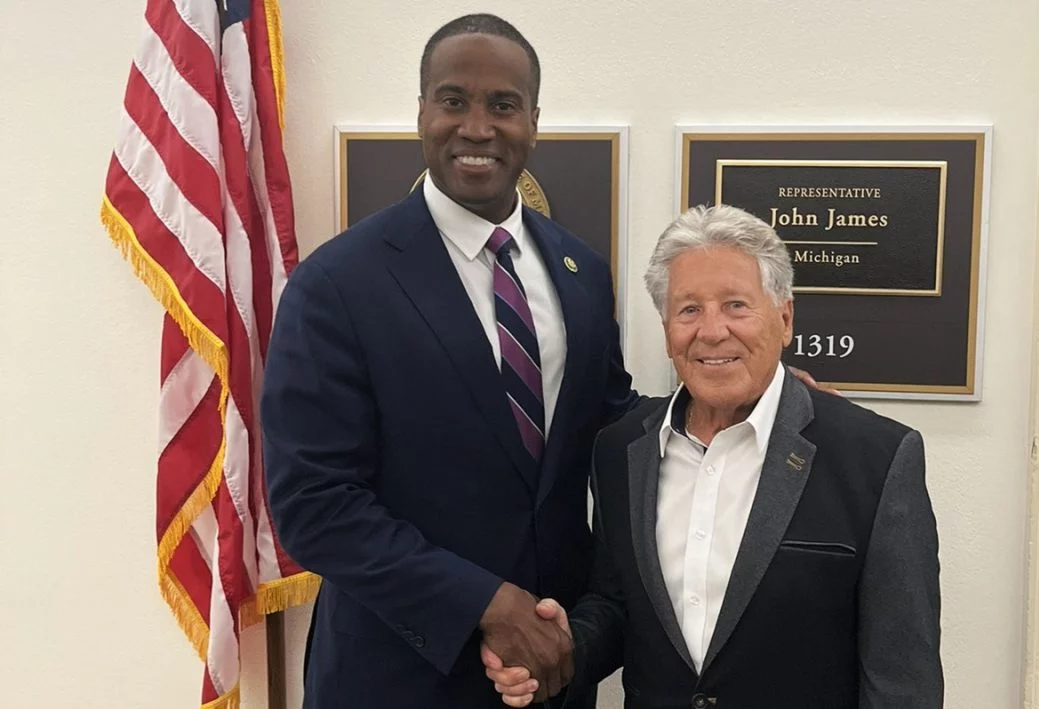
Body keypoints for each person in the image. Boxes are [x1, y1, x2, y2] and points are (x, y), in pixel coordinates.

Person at [260, 13, 636, 707]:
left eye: (503, 105)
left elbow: (613, 426)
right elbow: (313, 504)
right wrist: (484, 602)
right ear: (422, 112)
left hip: (548, 674)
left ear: (533, 121)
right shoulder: (338, 284)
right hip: (395, 676)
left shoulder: (579, 270)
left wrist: (739, 403)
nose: (477, 127)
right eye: (454, 100)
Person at [484, 204, 944, 708]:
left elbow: (902, 681)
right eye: (689, 310)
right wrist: (562, 650)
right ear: (666, 331)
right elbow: (618, 604)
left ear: (785, 318)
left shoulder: (875, 459)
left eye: (736, 306)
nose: (712, 331)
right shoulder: (621, 451)